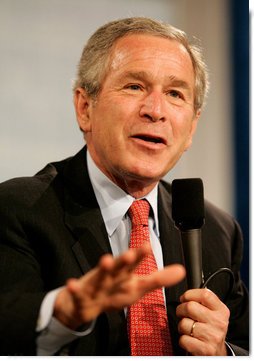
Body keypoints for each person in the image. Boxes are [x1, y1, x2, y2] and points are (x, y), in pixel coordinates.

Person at [0, 17, 248, 356]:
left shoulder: (217, 230)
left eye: (175, 94)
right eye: (134, 86)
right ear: (85, 108)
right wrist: (62, 314)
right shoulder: (18, 210)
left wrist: (223, 353)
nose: (155, 110)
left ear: (191, 128)